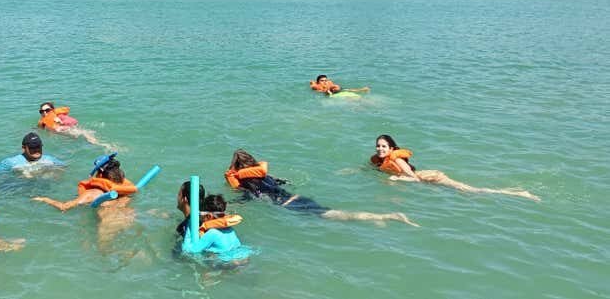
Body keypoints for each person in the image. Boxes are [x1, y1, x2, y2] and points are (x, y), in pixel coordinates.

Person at [226, 149, 417, 226]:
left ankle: (383, 217)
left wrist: (234, 204)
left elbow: (249, 197)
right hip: (297, 197)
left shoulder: (246, 182)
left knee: (335, 215)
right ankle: (374, 219)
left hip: (289, 205)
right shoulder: (265, 175)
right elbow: (280, 183)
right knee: (331, 213)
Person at [371, 134, 540, 201]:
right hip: (428, 181)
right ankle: (513, 191)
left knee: (472, 191)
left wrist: (396, 179)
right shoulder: (378, 160)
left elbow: (414, 178)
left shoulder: (397, 160)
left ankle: (519, 193)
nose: (380, 149)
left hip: (430, 177)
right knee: (466, 192)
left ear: (392, 149)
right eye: (378, 146)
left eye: (384, 146)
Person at [32, 153, 137, 212]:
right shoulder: (127, 190)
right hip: (131, 218)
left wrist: (44, 199)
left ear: (99, 173)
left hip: (109, 224)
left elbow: (64, 207)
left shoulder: (92, 193)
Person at [0, 132, 65, 180]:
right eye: (32, 147)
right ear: (23, 148)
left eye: (38, 146)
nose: (36, 149)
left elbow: (63, 167)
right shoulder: (12, 162)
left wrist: (55, 174)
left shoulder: (49, 159)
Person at [37, 102, 115, 150]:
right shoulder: (43, 122)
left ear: (53, 110)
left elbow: (74, 122)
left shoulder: (59, 117)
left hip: (77, 132)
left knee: (96, 143)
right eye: (42, 111)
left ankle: (108, 146)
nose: (44, 113)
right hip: (69, 137)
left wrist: (61, 123)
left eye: (47, 110)